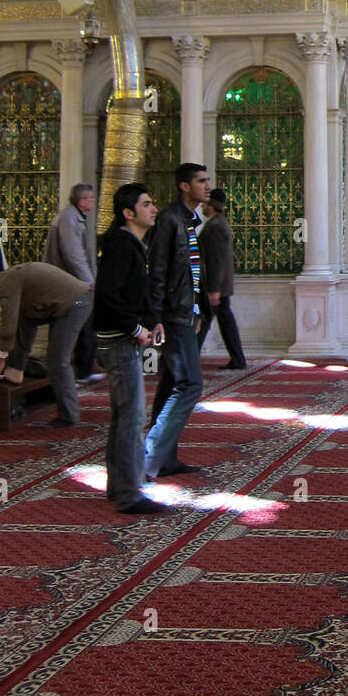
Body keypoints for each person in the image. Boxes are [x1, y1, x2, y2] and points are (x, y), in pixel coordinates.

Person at [94, 184, 168, 515]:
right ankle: (129, 493)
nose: (153, 209)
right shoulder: (121, 247)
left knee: (124, 415)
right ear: (128, 213)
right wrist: (136, 328)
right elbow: (108, 295)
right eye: (147, 204)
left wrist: (152, 321)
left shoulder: (131, 245)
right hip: (118, 342)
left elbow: (134, 294)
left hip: (122, 339)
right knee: (132, 417)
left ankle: (119, 485)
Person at [144, 162, 212, 480]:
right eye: (201, 181)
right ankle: (148, 459)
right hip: (172, 316)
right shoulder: (170, 220)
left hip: (184, 312)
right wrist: (156, 317)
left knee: (172, 383)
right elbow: (158, 271)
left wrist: (196, 309)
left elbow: (190, 274)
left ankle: (165, 459)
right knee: (190, 384)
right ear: (184, 186)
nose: (207, 186)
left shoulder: (187, 220)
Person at [0, 263, 92, 425]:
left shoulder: (5, 286)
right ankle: (15, 371)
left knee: (57, 360)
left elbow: (8, 323)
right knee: (23, 324)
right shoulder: (9, 280)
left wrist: (0, 361)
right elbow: (25, 327)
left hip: (76, 303)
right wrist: (14, 365)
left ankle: (69, 416)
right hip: (71, 300)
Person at [42, 183, 103, 384]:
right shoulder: (68, 219)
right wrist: (89, 283)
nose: (93, 202)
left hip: (72, 284)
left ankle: (83, 368)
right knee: (73, 326)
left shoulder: (74, 217)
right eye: (91, 198)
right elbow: (73, 254)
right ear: (82, 200)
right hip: (69, 285)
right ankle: (73, 372)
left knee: (83, 325)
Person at [196, 188, 247, 370]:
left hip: (216, 286)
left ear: (211, 206)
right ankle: (237, 359)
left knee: (204, 320)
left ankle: (190, 359)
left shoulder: (216, 226)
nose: (202, 205)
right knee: (214, 321)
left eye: (205, 202)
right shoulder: (217, 223)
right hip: (217, 286)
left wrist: (214, 289)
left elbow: (216, 260)